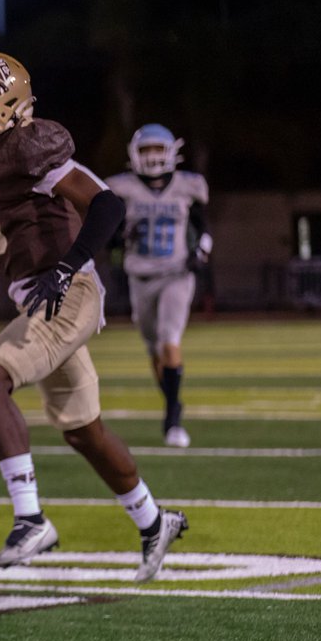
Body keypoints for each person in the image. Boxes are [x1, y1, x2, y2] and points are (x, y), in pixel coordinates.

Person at [0, 51, 187, 584]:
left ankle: (30, 519)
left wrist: (68, 268)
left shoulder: (30, 145)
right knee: (82, 430)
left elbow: (108, 205)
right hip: (37, 297)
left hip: (68, 290)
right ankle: (153, 520)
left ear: (5, 100)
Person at [105, 125, 211, 448]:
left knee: (169, 342)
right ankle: (172, 401)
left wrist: (201, 252)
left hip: (176, 274)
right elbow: (110, 237)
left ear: (170, 153)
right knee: (154, 349)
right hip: (141, 277)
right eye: (146, 150)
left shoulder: (187, 186)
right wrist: (121, 238)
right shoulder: (120, 189)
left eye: (156, 150)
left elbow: (203, 227)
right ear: (135, 154)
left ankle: (173, 418)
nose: (152, 156)